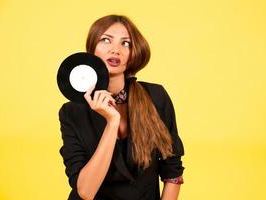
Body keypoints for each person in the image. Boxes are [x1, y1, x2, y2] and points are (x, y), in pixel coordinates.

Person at [59, 14, 185, 200]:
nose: (115, 50)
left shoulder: (156, 96)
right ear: (91, 50)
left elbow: (172, 169)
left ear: (133, 52)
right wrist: (112, 122)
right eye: (105, 40)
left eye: (125, 43)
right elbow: (85, 191)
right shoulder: (72, 112)